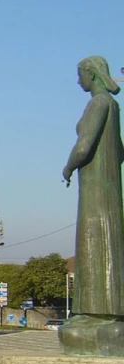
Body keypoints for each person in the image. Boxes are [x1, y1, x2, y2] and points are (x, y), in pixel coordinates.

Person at [62, 55, 124, 318]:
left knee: (92, 243)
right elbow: (119, 151)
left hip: (94, 189)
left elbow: (84, 147)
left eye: (81, 75)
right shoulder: (113, 105)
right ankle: (111, 312)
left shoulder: (97, 104)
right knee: (109, 243)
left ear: (92, 74)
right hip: (110, 188)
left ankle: (92, 314)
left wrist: (68, 166)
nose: (78, 81)